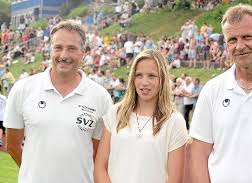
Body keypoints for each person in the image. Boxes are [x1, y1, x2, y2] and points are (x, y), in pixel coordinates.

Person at [4, 20, 112, 183]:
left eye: (71, 49)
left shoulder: (100, 97)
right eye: (58, 48)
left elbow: (98, 154)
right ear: (50, 50)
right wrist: (34, 174)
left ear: (83, 52)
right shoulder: (23, 89)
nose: (64, 55)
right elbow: (12, 145)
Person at [190, 4, 252, 183]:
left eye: (247, 37)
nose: (240, 46)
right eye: (232, 39)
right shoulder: (212, 90)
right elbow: (198, 155)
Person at [94, 49, 188, 183]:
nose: (144, 82)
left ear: (162, 79)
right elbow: (100, 167)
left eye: (151, 76)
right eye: (139, 75)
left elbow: (174, 179)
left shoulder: (174, 122)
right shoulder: (115, 113)